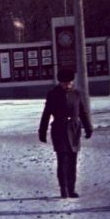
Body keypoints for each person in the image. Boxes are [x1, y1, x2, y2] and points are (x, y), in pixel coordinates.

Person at [39, 68, 92, 198]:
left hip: (74, 129)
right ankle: (64, 189)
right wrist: (42, 131)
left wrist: (88, 127)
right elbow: (46, 114)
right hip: (59, 129)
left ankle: (72, 188)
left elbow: (83, 112)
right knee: (62, 160)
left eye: (69, 82)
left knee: (73, 161)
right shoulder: (53, 94)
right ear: (60, 82)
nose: (67, 85)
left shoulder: (77, 94)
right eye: (64, 83)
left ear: (72, 82)